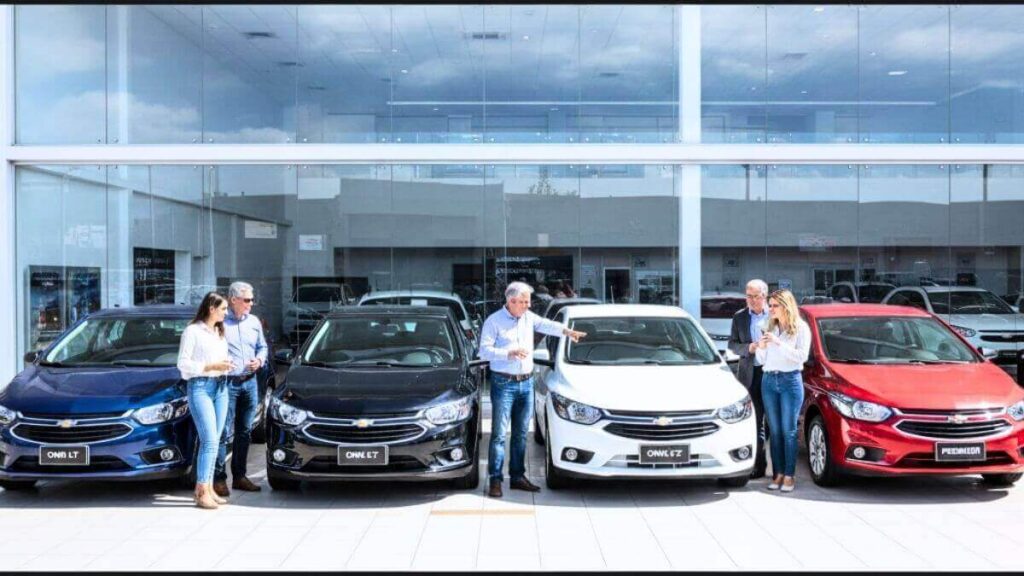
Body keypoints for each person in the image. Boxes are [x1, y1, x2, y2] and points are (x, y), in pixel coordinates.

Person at [478, 281, 587, 498]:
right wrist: (508, 353)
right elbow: (483, 352)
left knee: (520, 434)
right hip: (503, 383)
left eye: (528, 301)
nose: (528, 305)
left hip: (526, 383)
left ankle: (517, 477)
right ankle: (495, 480)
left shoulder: (528, 318)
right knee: (499, 435)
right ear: (512, 301)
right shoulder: (494, 321)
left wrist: (567, 332)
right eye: (525, 301)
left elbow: (546, 325)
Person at [177, 292, 235, 510]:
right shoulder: (192, 331)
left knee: (217, 438)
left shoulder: (219, 331)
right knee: (209, 439)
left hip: (221, 386)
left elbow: (217, 359)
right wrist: (211, 367)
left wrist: (225, 365)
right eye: (223, 309)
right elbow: (183, 365)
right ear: (211, 308)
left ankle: (209, 488)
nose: (226, 313)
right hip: (201, 386)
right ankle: (201, 491)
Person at [212, 282, 268, 498]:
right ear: (233, 299)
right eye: (247, 300)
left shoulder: (253, 322)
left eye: (252, 300)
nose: (251, 304)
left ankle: (240, 476)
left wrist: (260, 360)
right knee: (223, 432)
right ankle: (218, 479)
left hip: (250, 382)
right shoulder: (219, 322)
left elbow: (262, 346)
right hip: (228, 383)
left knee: (245, 431)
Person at [755, 289, 811, 493]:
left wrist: (778, 343)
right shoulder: (769, 327)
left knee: (789, 430)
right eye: (769, 306)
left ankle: (789, 475)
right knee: (775, 431)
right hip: (769, 380)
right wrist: (761, 347)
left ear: (786, 306)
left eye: (774, 305)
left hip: (790, 380)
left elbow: (801, 357)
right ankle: (778, 473)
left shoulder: (800, 328)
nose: (770, 309)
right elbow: (762, 360)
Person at [727, 279, 770, 479]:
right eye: (748, 296)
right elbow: (733, 345)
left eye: (756, 296)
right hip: (750, 374)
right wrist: (750, 348)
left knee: (776, 423)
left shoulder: (775, 314)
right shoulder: (739, 317)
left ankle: (781, 468)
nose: (752, 300)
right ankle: (759, 465)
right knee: (756, 421)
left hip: (773, 373)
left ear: (765, 296)